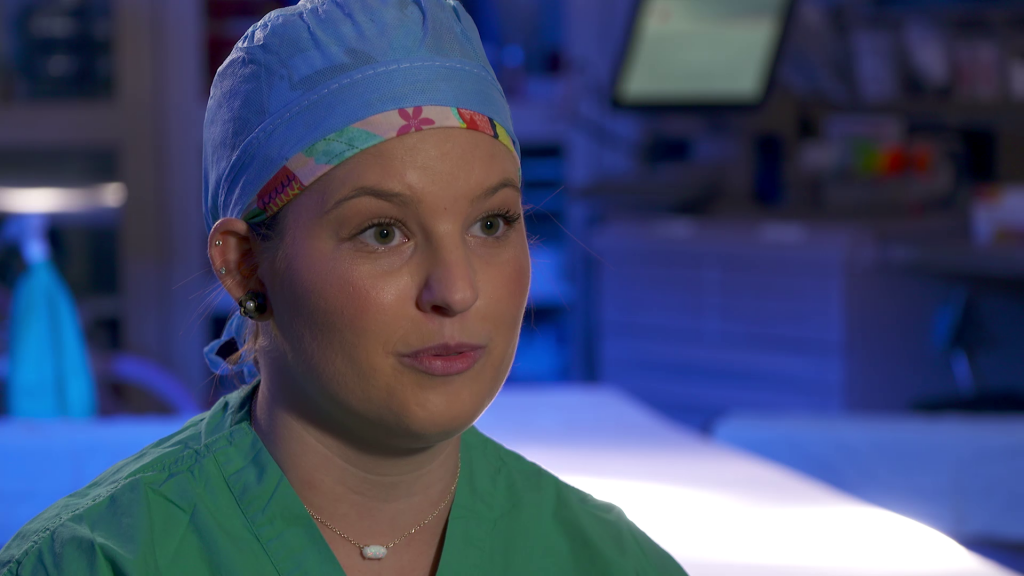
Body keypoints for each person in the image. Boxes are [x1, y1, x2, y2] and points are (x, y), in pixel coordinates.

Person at [0, 1, 688, 574]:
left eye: (491, 222)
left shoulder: (608, 560)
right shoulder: (94, 562)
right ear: (245, 266)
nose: (456, 289)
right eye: (384, 232)